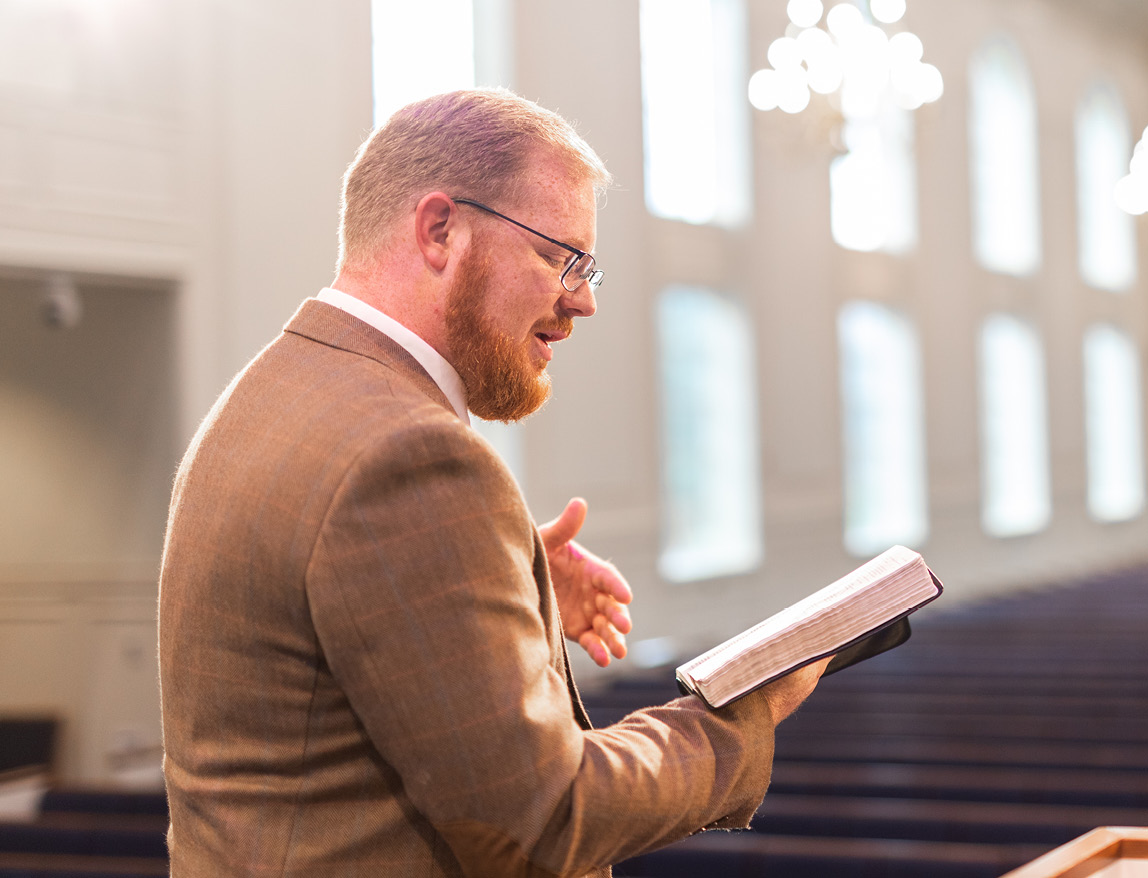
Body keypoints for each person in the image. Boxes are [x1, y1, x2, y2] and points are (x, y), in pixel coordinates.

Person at [158, 88, 827, 878]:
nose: (582, 301)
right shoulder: (406, 455)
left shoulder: (273, 391)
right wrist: (741, 717)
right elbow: (546, 816)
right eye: (559, 257)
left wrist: (506, 574)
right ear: (440, 230)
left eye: (587, 268)